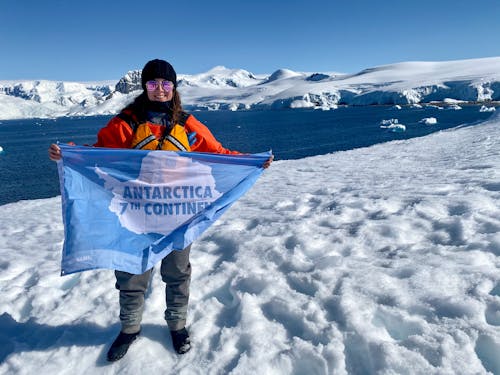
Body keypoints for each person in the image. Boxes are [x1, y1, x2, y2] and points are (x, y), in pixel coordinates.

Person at [49, 59, 272, 361]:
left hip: (178, 215)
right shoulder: (124, 125)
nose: (159, 90)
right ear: (144, 86)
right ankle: (129, 329)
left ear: (174, 87)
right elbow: (97, 154)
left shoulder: (187, 125)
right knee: (131, 276)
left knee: (177, 273)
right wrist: (69, 153)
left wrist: (250, 161)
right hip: (135, 216)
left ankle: (177, 325)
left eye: (166, 84)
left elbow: (218, 154)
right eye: (153, 84)